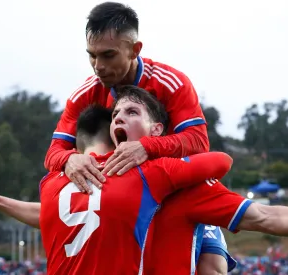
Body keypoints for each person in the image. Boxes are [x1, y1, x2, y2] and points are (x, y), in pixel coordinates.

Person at [0, 86, 288, 275]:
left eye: (131, 112)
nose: (119, 120)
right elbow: (54, 214)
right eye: (115, 116)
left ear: (158, 129)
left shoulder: (181, 183)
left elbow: (263, 217)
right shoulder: (93, 175)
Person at [45, 2, 226, 272]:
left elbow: (199, 143)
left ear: (135, 50)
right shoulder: (84, 94)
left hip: (178, 191)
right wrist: (70, 159)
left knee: (211, 268)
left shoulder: (172, 82)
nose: (98, 66)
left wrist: (146, 148)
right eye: (92, 56)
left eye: (108, 55)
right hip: (126, 202)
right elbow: (53, 153)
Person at [0, 101, 233, 274]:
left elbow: (47, 214)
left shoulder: (51, 183)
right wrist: (150, 148)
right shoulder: (143, 174)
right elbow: (221, 161)